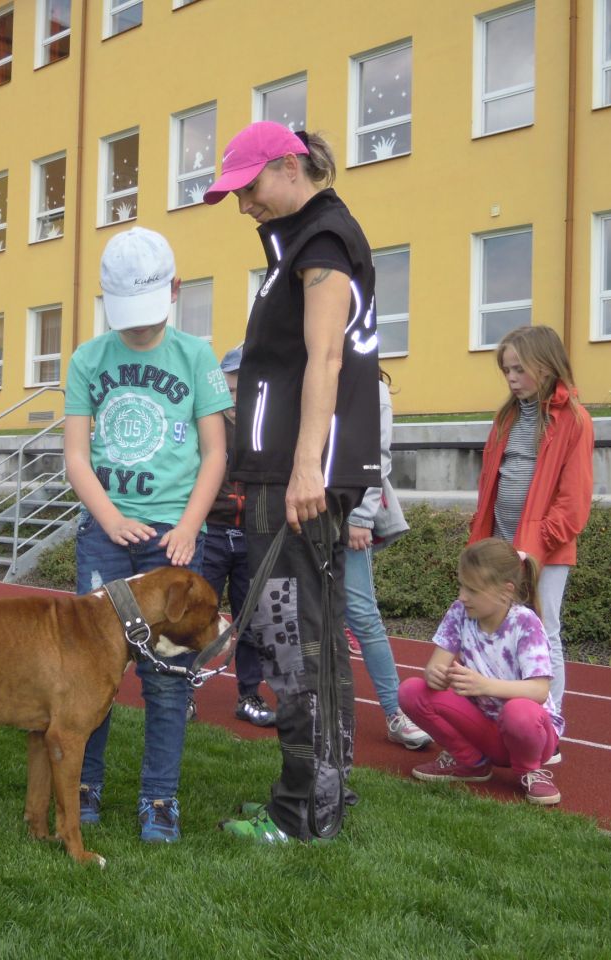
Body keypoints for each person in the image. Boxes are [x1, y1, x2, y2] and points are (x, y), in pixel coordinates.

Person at [204, 122, 381, 844]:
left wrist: (307, 464)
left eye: (248, 188)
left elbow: (325, 358)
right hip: (289, 472)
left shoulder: (322, 241)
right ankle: (323, 796)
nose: (243, 204)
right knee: (312, 636)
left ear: (287, 167)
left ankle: (301, 809)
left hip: (295, 478)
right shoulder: (304, 241)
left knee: (288, 634)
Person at [65, 227, 230, 844]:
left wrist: (188, 525)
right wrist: (109, 519)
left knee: (167, 676)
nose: (136, 328)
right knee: (92, 671)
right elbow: (76, 457)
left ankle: (159, 797)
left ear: (174, 290)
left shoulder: (197, 358)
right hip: (106, 536)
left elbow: (215, 454)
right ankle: (84, 784)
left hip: (174, 541)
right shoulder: (88, 359)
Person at [468, 324, 593, 723]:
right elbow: (491, 481)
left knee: (543, 630)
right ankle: (498, 714)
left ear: (546, 365)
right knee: (495, 627)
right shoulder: (506, 416)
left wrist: (533, 547)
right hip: (501, 543)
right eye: (506, 370)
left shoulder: (574, 420)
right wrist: (484, 537)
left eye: (519, 369)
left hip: (544, 552)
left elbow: (573, 504)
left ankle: (547, 723)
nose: (511, 378)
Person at [398, 538, 564, 805]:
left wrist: (484, 685)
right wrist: (435, 675)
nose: (462, 596)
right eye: (461, 585)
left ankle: (530, 771)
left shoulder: (525, 623)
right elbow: (436, 666)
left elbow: (539, 690)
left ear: (505, 591)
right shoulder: (459, 612)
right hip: (484, 730)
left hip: (530, 735)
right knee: (411, 691)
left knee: (519, 711)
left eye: (472, 590)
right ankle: (470, 762)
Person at [344, 370, 431, 750]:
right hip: (303, 510)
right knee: (307, 613)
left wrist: (361, 516)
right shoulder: (304, 368)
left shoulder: (370, 387)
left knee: (363, 616)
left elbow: (375, 456)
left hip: (345, 511)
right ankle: (313, 705)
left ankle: (396, 712)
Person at [195, 345, 275, 728]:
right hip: (211, 532)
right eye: (229, 388)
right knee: (196, 616)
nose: (236, 398)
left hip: (250, 536)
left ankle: (249, 694)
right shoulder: (208, 427)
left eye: (245, 388)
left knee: (252, 621)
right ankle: (182, 692)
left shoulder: (265, 427)